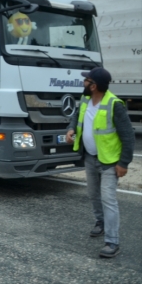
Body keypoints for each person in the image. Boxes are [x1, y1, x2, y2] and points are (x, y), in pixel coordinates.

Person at [65, 67, 135, 258]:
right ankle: (100, 223)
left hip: (110, 162)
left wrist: (124, 163)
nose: (83, 83)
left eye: (86, 80)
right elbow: (76, 118)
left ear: (93, 86)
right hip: (90, 157)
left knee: (108, 200)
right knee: (93, 194)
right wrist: (71, 130)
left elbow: (128, 137)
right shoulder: (86, 100)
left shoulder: (114, 104)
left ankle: (112, 242)